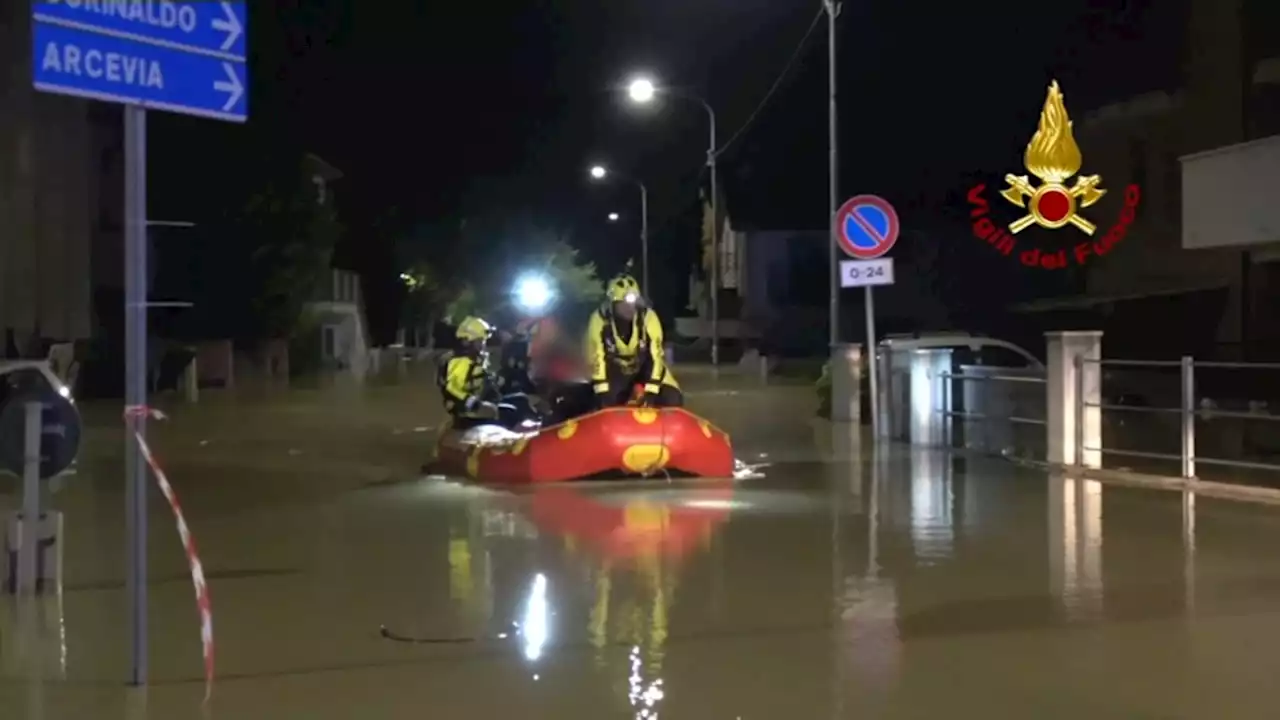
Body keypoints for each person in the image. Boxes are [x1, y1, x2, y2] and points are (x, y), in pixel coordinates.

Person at [584, 273, 683, 408]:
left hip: (645, 370)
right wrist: (602, 392)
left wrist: (651, 391)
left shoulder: (648, 318)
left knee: (673, 398)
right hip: (615, 373)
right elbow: (596, 358)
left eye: (632, 303)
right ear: (612, 304)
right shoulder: (598, 321)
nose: (629, 308)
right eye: (623, 304)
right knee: (602, 402)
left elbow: (656, 357)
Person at [438, 316, 536, 429]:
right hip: (465, 407)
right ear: (467, 341)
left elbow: (479, 379)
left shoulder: (475, 359)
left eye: (483, 341)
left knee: (521, 399)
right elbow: (451, 387)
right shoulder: (461, 361)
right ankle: (513, 438)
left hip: (482, 399)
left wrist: (497, 381)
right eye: (480, 341)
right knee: (508, 411)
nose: (483, 345)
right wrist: (470, 401)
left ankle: (539, 428)